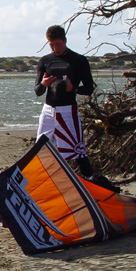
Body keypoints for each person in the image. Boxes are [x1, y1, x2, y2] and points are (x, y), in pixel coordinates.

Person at [34, 25, 96, 177]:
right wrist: (44, 84)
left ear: (65, 41)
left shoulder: (79, 60)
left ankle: (90, 181)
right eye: (51, 44)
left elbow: (89, 88)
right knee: (41, 149)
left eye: (58, 44)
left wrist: (72, 88)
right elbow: (37, 91)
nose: (55, 48)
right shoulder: (45, 60)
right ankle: (42, 180)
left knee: (77, 151)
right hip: (48, 110)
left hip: (68, 110)